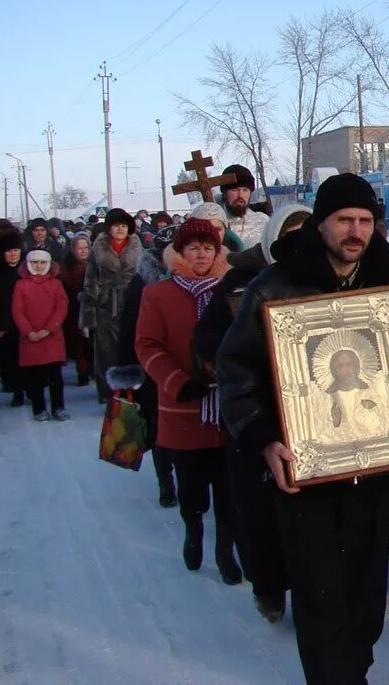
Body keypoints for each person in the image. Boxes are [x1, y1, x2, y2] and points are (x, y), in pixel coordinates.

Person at [217, 173, 389, 685]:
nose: (356, 231)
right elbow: (235, 372)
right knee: (320, 596)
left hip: (377, 470)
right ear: (321, 223)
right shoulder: (274, 288)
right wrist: (262, 438)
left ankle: (353, 667)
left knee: (365, 597)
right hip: (309, 474)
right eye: (344, 219)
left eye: (365, 221)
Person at [192, 202, 310, 624]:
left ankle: (312, 588)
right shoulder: (241, 283)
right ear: (274, 236)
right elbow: (212, 344)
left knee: (307, 513)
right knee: (260, 512)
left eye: (307, 231)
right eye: (290, 233)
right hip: (257, 415)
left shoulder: (323, 279)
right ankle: (269, 588)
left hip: (310, 417)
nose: (299, 241)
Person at [134, 218, 242, 584]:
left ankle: (225, 551)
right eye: (193, 248)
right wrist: (177, 382)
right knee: (192, 490)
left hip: (226, 409)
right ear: (179, 252)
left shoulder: (232, 292)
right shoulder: (159, 294)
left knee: (229, 492)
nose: (201, 255)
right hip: (183, 407)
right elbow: (147, 345)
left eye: (208, 248)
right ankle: (193, 533)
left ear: (218, 253)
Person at [113, 223, 181, 508]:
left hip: (184, 363)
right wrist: (129, 371)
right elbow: (128, 330)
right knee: (157, 426)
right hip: (151, 366)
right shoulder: (142, 283)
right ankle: (166, 482)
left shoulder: (193, 277)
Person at [80, 208, 144, 403]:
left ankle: (133, 391)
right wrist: (87, 317)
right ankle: (108, 394)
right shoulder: (97, 249)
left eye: (124, 225)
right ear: (109, 228)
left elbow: (145, 276)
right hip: (106, 305)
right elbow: (89, 282)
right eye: (116, 225)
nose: (120, 229)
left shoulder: (138, 247)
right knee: (106, 352)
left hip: (133, 301)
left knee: (132, 347)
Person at [12, 249, 69, 421]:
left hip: (51, 337)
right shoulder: (21, 285)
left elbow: (62, 307)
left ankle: (58, 407)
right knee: (35, 377)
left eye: (42, 262)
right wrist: (28, 331)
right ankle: (39, 409)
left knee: (55, 377)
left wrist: (49, 328)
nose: (39, 266)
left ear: (49, 264)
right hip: (31, 338)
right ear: (28, 265)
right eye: (35, 262)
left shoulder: (56, 284)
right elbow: (17, 310)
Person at [0, 225, 27, 406]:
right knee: (9, 360)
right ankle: (15, 389)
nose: (13, 254)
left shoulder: (26, 270)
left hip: (27, 323)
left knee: (27, 360)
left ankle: (27, 390)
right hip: (5, 324)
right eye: (9, 251)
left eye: (16, 250)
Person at [59, 233, 94, 387]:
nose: (84, 251)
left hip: (92, 309)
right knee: (79, 344)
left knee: (91, 342)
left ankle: (92, 370)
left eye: (86, 248)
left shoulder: (96, 265)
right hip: (72, 309)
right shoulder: (65, 267)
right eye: (80, 248)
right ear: (73, 249)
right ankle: (83, 373)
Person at [218, 164, 269, 249]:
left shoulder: (263, 220)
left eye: (245, 190)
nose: (240, 195)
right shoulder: (215, 222)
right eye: (235, 190)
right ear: (224, 193)